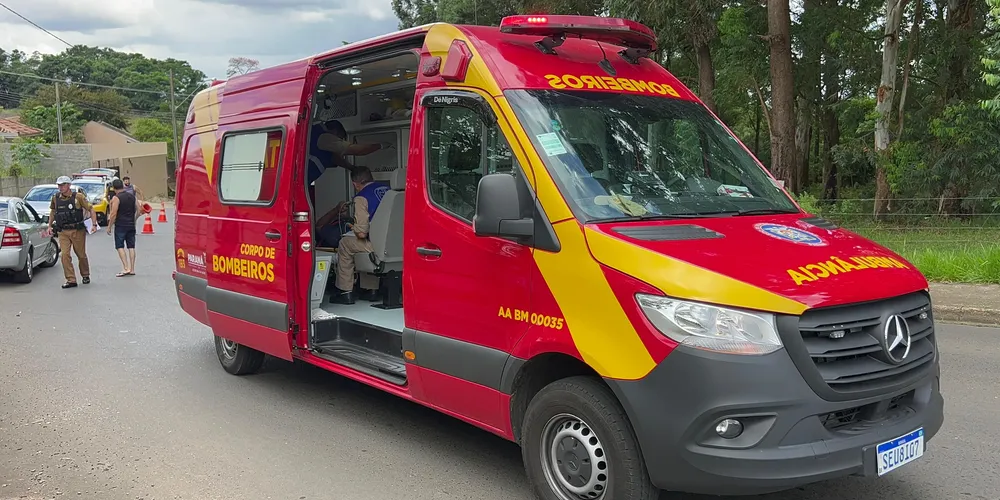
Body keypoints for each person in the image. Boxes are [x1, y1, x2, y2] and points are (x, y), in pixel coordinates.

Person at [332, 167, 390, 304]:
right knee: (365, 242)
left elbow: (362, 232)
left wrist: (354, 228)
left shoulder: (361, 197)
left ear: (354, 184)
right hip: (395, 245)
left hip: (376, 245)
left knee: (345, 243)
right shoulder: (390, 191)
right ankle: (371, 290)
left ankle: (345, 292)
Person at [307, 119, 393, 187]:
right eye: (340, 139)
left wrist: (352, 168)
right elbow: (356, 150)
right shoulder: (324, 137)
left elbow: (334, 158)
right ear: (335, 132)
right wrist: (380, 145)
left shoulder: (316, 135)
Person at [48, 175, 98, 289]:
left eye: (63, 185)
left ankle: (85, 274)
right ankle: (71, 279)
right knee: (64, 255)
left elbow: (90, 209)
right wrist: (49, 226)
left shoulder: (78, 197)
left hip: (77, 230)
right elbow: (53, 211)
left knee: (81, 255)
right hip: (63, 231)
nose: (60, 187)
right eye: (59, 185)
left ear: (69, 185)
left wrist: (94, 225)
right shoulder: (55, 198)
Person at [106, 178, 141, 277]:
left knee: (120, 246)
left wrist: (109, 226)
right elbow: (139, 210)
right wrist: (134, 219)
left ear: (114, 188)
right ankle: (132, 269)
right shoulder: (132, 196)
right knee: (131, 246)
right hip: (131, 224)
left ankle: (126, 267)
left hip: (121, 225)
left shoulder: (116, 198)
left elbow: (113, 213)